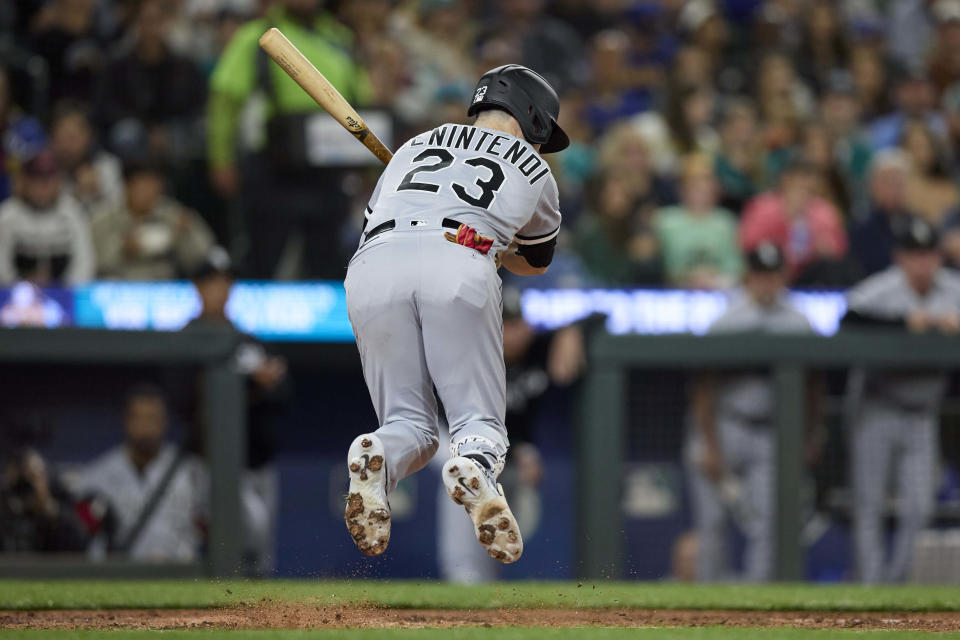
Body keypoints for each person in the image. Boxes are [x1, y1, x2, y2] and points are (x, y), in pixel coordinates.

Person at [343, 64, 567, 564]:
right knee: (478, 422)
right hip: (458, 262)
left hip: (371, 266)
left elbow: (376, 222)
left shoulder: (411, 147)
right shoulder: (534, 168)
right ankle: (475, 467)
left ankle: (374, 457)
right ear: (531, 118)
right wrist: (496, 244)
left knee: (411, 426)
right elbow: (535, 261)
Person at [686, 242, 822, 582]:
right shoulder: (728, 320)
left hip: (772, 432)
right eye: (760, 275)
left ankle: (755, 602)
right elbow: (704, 388)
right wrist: (709, 445)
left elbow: (814, 386)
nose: (767, 283)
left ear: (783, 276)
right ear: (750, 277)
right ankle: (706, 604)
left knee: (771, 522)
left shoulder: (799, 321)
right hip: (726, 425)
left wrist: (811, 434)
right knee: (712, 523)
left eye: (773, 275)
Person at [207, 0, 371, 279]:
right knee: (263, 257)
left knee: (328, 259)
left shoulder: (339, 39)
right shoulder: (257, 36)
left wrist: (366, 158)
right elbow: (225, 102)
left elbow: (361, 101)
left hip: (327, 170)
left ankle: (322, 320)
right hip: (272, 167)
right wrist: (221, 159)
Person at [436, 288, 587, 582]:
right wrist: (523, 450)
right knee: (463, 474)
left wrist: (573, 331)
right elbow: (478, 421)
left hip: (503, 447)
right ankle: (461, 575)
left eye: (518, 324)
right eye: (505, 325)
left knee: (497, 512)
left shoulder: (538, 349)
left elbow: (602, 315)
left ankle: (484, 579)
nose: (514, 333)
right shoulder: (475, 357)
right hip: (452, 434)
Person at [843, 217, 960, 583]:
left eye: (928, 254)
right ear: (900, 258)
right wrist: (904, 324)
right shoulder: (882, 288)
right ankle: (869, 588)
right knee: (870, 506)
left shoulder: (952, 289)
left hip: (922, 412)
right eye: (914, 255)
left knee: (919, 508)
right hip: (878, 406)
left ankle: (896, 587)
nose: (922, 263)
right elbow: (848, 319)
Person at [182, 247, 288, 575]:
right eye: (213, 282)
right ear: (198, 287)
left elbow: (284, 395)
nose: (221, 289)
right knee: (209, 547)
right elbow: (182, 401)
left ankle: (255, 622)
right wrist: (253, 386)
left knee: (259, 553)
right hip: (205, 465)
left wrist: (265, 386)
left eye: (226, 282)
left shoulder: (247, 341)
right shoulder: (185, 340)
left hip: (255, 463)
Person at [72, 385, 206, 561]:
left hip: (180, 576)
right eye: (138, 418)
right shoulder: (97, 476)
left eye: (152, 418)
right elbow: (82, 535)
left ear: (164, 422)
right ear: (126, 421)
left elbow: (213, 528)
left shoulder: (191, 471)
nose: (146, 426)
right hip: (120, 579)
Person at [91, 157, 214, 280]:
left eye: (154, 185)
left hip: (165, 289)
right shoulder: (103, 218)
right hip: (117, 289)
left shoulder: (173, 214)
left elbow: (203, 257)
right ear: (127, 186)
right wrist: (122, 249)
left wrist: (186, 234)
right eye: (143, 185)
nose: (149, 192)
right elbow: (92, 261)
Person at [739, 159, 848, 285]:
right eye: (798, 179)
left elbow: (840, 249)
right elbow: (749, 244)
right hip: (771, 273)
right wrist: (787, 215)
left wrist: (825, 247)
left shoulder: (824, 211)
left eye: (808, 179)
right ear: (786, 179)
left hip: (811, 274)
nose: (803, 185)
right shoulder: (762, 207)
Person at [0, 149, 95, 286]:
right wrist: (19, 290)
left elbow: (84, 261)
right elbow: (2, 266)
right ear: (24, 181)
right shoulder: (7, 215)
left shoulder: (72, 212)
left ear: (58, 182)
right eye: (36, 180)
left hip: (64, 293)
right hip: (16, 297)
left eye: (48, 180)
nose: (43, 187)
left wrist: (65, 291)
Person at [654, 153, 741, 289]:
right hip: (673, 293)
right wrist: (688, 278)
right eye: (693, 180)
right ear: (682, 186)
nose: (701, 186)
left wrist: (714, 279)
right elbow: (658, 267)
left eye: (706, 179)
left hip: (719, 292)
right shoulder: (664, 220)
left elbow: (735, 268)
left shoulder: (726, 221)